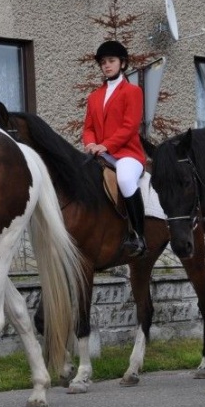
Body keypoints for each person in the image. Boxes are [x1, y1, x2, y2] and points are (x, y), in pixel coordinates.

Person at [82, 40, 147, 257]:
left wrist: (106, 145)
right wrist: (90, 143)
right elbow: (88, 127)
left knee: (126, 179)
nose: (107, 65)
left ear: (122, 63)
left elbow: (130, 127)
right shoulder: (94, 96)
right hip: (100, 153)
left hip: (127, 154)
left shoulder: (132, 91)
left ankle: (139, 236)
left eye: (111, 61)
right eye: (103, 62)